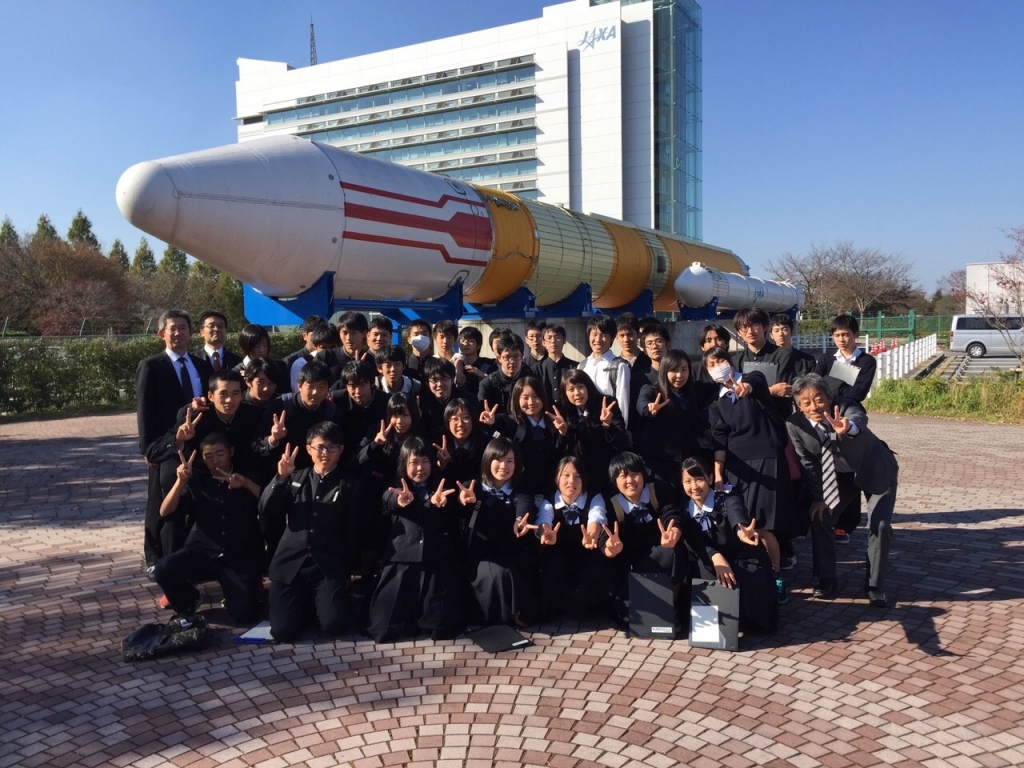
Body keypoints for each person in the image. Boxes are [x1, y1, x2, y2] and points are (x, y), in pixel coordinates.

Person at [786, 374, 898, 607]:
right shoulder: (794, 424)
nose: (814, 407)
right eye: (806, 402)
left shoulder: (844, 406)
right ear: (798, 406)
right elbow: (808, 463)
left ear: (829, 397)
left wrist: (849, 427)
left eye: (819, 399)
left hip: (875, 468)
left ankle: (874, 585)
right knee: (821, 516)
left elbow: (858, 417)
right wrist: (819, 498)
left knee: (879, 525)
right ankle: (826, 579)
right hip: (840, 476)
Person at [704, 346, 794, 604]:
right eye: (711, 365)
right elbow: (720, 439)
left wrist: (747, 388)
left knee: (763, 523)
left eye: (720, 361)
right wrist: (718, 473)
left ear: (730, 362)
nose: (717, 367)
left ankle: (775, 576)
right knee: (742, 522)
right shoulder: (716, 401)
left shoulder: (752, 380)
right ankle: (754, 577)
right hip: (737, 466)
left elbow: (758, 382)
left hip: (766, 458)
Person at [259, 422, 358, 641]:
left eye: (331, 447)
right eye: (320, 447)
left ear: (341, 449)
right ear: (309, 449)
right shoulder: (295, 478)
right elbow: (267, 509)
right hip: (290, 563)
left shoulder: (349, 485)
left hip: (327, 565)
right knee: (283, 631)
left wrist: (345, 570)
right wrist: (280, 478)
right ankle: (304, 607)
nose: (325, 453)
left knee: (334, 624)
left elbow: (353, 531)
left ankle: (318, 605)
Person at [154, 433, 264, 623]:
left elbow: (270, 503)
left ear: (231, 452)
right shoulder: (198, 480)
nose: (215, 460)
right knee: (164, 568)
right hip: (202, 551)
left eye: (220, 454)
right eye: (208, 456)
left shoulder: (247, 476)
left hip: (237, 557)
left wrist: (246, 484)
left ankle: (234, 596)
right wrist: (180, 482)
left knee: (243, 614)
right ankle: (189, 601)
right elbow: (165, 512)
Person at [136, 309, 213, 575]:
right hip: (167, 446)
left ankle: (188, 563)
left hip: (198, 446)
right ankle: (157, 560)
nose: (178, 333)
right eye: (173, 328)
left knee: (192, 505)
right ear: (161, 334)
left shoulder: (201, 365)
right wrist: (149, 449)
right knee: (162, 506)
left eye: (183, 328)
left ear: (191, 333)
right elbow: (145, 411)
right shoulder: (151, 366)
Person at [366, 437, 465, 641]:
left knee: (441, 627)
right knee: (383, 627)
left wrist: (441, 505)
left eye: (425, 461)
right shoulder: (395, 487)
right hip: (402, 560)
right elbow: (388, 499)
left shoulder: (441, 486)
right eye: (414, 462)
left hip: (435, 559)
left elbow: (453, 512)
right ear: (404, 464)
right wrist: (400, 501)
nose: (420, 468)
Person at [599, 451, 696, 628]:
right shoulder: (612, 504)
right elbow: (605, 537)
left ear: (644, 475)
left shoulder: (656, 492)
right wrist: (610, 548)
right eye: (623, 476)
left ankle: (671, 606)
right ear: (614, 481)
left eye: (635, 474)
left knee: (672, 551)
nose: (630, 481)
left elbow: (671, 513)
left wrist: (673, 531)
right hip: (631, 571)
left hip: (659, 559)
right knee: (626, 614)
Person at [459, 436, 539, 627]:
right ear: (488, 460)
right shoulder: (474, 487)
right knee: (500, 573)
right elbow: (463, 498)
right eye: (498, 460)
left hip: (512, 551)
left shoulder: (521, 490)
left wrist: (520, 521)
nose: (504, 466)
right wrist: (464, 499)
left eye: (510, 461)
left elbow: (524, 507)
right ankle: (507, 615)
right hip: (482, 554)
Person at [534, 456, 610, 619]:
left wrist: (592, 535)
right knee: (551, 566)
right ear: (557, 479)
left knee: (595, 567)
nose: (571, 481)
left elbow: (596, 517)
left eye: (577, 476)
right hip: (559, 551)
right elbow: (543, 520)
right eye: (566, 475)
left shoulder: (594, 498)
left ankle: (592, 612)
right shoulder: (549, 500)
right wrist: (545, 533)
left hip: (587, 551)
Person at [635, 349, 706, 501]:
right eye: (674, 370)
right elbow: (643, 405)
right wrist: (650, 409)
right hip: (660, 465)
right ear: (664, 371)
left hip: (685, 464)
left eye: (684, 370)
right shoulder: (652, 391)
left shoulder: (690, 396)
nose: (680, 375)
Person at [480, 375, 566, 498]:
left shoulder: (555, 422)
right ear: (517, 399)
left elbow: (560, 453)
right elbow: (502, 422)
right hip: (520, 491)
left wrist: (563, 432)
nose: (531, 402)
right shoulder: (513, 422)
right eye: (525, 398)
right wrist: (493, 421)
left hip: (550, 488)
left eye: (536, 396)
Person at [555, 369, 631, 499]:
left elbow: (622, 442)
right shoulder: (563, 412)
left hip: (609, 470)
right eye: (571, 389)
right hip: (582, 475)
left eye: (580, 387)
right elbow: (560, 451)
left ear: (588, 387)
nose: (577, 393)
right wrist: (563, 433)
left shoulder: (607, 403)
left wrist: (608, 425)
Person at [732, 308, 798, 417]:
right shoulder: (736, 360)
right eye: (744, 327)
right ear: (739, 332)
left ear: (765, 326)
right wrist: (771, 390)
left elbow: (783, 390)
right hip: (747, 418)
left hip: (777, 417)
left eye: (755, 325)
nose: (750, 331)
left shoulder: (784, 355)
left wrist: (748, 391)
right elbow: (736, 394)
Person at [579, 315, 631, 428]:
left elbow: (623, 403)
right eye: (594, 334)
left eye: (604, 335)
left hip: (609, 427)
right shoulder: (582, 366)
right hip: (587, 428)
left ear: (612, 338)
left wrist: (621, 430)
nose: (598, 340)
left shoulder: (619, 366)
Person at [813, 314, 877, 403]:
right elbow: (815, 385)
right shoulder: (825, 358)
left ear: (856, 335)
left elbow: (859, 393)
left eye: (845, 335)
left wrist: (830, 384)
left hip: (850, 406)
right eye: (837, 335)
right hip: (825, 406)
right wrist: (846, 388)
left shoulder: (867, 361)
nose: (841, 340)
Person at [477, 331, 533, 412]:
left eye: (516, 356)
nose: (512, 361)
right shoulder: (487, 384)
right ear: (499, 358)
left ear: (522, 356)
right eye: (507, 357)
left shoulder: (532, 380)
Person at [537, 324, 577, 405]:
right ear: (543, 342)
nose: (553, 341)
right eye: (549, 338)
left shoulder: (575, 367)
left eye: (558, 337)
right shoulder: (537, 369)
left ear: (564, 341)